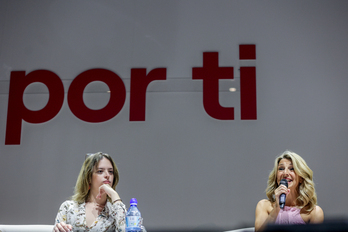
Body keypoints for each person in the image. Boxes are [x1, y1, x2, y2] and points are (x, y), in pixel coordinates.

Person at [53, 152, 126, 232]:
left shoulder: (116, 212)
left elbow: (125, 229)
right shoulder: (68, 208)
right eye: (100, 171)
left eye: (110, 172)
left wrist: (115, 196)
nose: (107, 175)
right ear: (89, 177)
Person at [254, 150, 324, 231]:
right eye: (281, 169)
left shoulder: (314, 212)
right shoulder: (264, 206)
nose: (285, 173)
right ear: (276, 177)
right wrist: (277, 207)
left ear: (301, 178)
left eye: (291, 169)